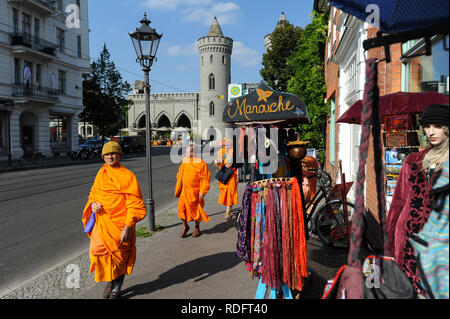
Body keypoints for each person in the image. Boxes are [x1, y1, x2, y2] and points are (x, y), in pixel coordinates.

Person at [387, 104, 449, 296]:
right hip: (407, 245)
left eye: (437, 126)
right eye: (427, 126)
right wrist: (389, 244)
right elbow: (398, 203)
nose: (430, 132)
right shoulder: (412, 161)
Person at [82, 141, 146, 299]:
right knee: (97, 252)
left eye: (113, 153)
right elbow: (93, 194)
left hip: (121, 223)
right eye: (106, 154)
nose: (110, 157)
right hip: (102, 222)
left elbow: (135, 203)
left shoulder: (127, 176)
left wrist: (128, 226)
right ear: (103, 156)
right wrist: (93, 205)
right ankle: (111, 280)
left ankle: (117, 288)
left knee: (120, 256)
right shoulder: (101, 172)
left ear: (119, 155)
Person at [175, 144, 211, 238]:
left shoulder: (201, 163)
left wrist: (202, 192)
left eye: (187, 152)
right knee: (181, 209)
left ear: (193, 153)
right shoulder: (184, 161)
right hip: (185, 191)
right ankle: (185, 226)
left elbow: (205, 179)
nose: (185, 153)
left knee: (196, 211)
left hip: (195, 191)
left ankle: (197, 227)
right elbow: (180, 173)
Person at [216, 137, 238, 219]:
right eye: (224, 145)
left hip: (231, 175)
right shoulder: (220, 151)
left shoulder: (233, 152)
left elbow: (238, 162)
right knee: (224, 192)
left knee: (230, 192)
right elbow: (218, 163)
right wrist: (218, 161)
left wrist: (232, 164)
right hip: (223, 174)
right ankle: (229, 206)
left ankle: (228, 210)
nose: (226, 146)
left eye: (227, 145)